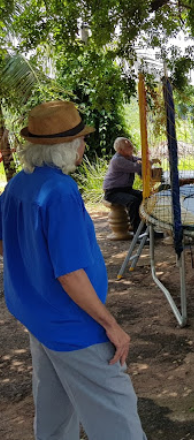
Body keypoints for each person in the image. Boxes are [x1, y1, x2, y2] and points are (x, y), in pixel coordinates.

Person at [0, 101, 147, 438]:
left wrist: (32, 267)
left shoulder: (20, 184)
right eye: (80, 139)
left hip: (39, 318)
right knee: (117, 417)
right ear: (68, 147)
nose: (83, 145)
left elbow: (6, 241)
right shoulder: (60, 191)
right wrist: (111, 325)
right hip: (72, 326)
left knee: (53, 416)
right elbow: (70, 274)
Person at [103, 137, 158, 232]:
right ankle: (138, 232)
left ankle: (146, 228)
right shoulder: (118, 160)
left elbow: (141, 161)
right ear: (120, 150)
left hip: (125, 189)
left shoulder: (129, 157)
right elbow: (137, 167)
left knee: (145, 196)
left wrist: (149, 161)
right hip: (112, 192)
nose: (132, 148)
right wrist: (150, 162)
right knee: (133, 201)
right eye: (129, 147)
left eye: (131, 145)